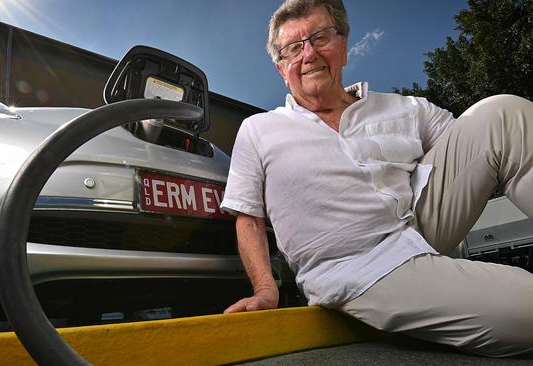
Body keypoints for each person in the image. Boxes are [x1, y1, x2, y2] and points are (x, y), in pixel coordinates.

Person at [220, 0, 533, 357]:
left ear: (343, 46)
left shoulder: (405, 108)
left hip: (421, 223)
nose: (309, 53)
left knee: (503, 115)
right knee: (526, 309)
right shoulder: (258, 131)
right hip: (358, 266)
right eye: (294, 47)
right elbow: (249, 218)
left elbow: (474, 147)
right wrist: (265, 291)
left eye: (320, 37)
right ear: (281, 68)